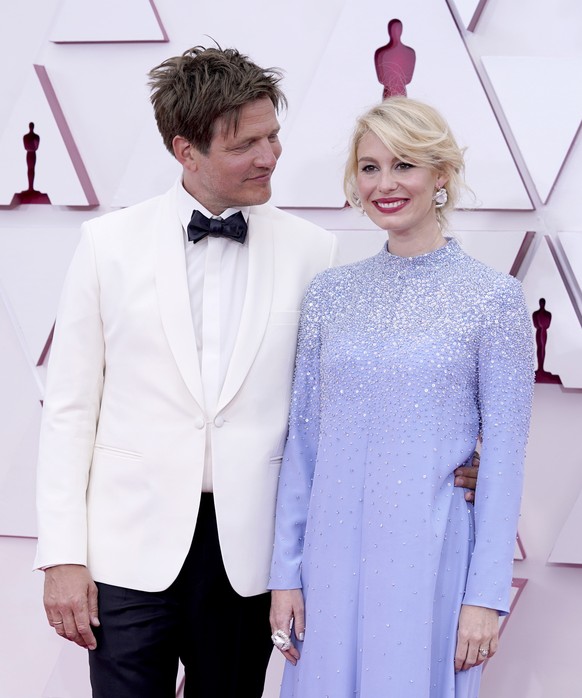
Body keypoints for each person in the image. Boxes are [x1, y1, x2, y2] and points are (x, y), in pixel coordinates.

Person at [34, 47, 478, 697]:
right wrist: (62, 556)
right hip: (125, 552)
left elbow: (347, 396)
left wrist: (451, 455)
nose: (270, 156)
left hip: (250, 556)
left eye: (273, 136)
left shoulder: (312, 252)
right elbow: (69, 409)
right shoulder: (107, 246)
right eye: (248, 144)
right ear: (187, 152)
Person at [268, 96, 534, 697]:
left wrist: (486, 598)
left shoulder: (494, 301)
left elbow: (504, 462)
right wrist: (285, 575)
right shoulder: (330, 295)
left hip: (431, 560)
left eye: (405, 165)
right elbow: (303, 445)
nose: (384, 184)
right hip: (329, 565)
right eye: (369, 167)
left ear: (441, 176)